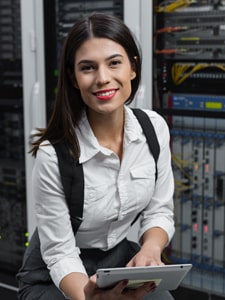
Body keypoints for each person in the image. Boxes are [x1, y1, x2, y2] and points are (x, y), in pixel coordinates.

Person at [17, 12, 175, 300]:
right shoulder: (54, 155)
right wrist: (88, 298)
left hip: (117, 262)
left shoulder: (154, 129)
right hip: (56, 276)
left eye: (114, 63)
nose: (103, 78)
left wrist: (151, 248)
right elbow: (60, 253)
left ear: (133, 68)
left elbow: (159, 211)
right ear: (74, 79)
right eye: (88, 68)